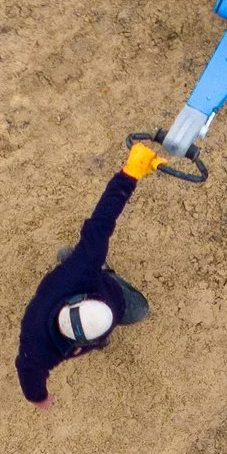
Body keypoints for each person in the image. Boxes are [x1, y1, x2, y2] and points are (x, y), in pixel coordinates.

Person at [15, 141, 159, 405]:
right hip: (76, 280)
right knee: (134, 312)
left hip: (85, 276)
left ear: (81, 298)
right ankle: (100, 334)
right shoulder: (37, 346)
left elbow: (102, 220)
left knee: (139, 310)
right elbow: (28, 375)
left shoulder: (82, 271)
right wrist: (40, 399)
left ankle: (93, 269)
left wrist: (130, 173)